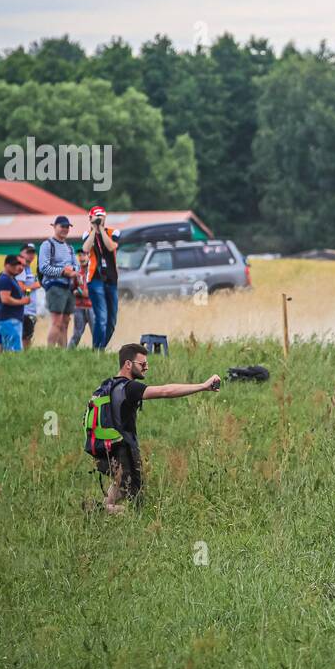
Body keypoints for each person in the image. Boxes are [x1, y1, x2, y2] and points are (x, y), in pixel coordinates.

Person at [85, 342, 221, 514]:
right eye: (142, 364)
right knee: (136, 498)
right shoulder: (130, 387)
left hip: (102, 445)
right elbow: (165, 391)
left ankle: (102, 509)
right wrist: (202, 386)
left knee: (121, 483)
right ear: (128, 364)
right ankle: (103, 510)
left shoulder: (106, 385)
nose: (146, 368)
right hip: (122, 447)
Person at [82, 205, 121, 350]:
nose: (99, 219)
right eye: (96, 216)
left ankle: (101, 348)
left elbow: (111, 247)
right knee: (101, 317)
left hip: (111, 279)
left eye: (101, 217)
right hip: (95, 279)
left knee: (111, 320)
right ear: (90, 218)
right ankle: (97, 350)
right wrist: (94, 229)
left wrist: (102, 230)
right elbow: (85, 249)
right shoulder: (87, 234)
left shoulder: (113, 232)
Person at [38, 215, 80, 347]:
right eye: (62, 226)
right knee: (56, 321)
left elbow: (77, 266)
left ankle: (63, 351)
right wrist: (63, 271)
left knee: (66, 322)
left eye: (67, 227)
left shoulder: (70, 248)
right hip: (55, 286)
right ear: (54, 227)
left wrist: (72, 270)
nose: (65, 229)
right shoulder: (47, 245)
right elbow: (43, 267)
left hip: (69, 287)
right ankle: (50, 351)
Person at [0, 254, 32, 353]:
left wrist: (24, 297)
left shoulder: (11, 279)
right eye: (14, 265)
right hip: (8, 319)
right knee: (15, 350)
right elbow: (5, 299)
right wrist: (22, 301)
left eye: (21, 265)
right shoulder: (4, 280)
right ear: (6, 265)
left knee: (9, 348)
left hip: (13, 318)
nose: (18, 267)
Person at [17, 243, 42, 348]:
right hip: (24, 311)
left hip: (30, 310)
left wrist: (29, 290)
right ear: (21, 253)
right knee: (25, 339)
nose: (31, 255)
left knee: (28, 337)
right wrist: (36, 285)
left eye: (33, 253)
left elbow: (26, 290)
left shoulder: (28, 269)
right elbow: (21, 288)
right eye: (28, 252)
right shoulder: (20, 269)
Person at [69, 249, 93, 349]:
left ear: (89, 256)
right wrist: (77, 291)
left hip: (92, 307)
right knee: (77, 334)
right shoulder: (76, 272)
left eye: (85, 255)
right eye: (80, 255)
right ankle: (67, 354)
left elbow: (92, 292)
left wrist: (81, 293)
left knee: (96, 333)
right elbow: (72, 288)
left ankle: (99, 354)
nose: (82, 257)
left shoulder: (94, 271)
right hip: (79, 307)